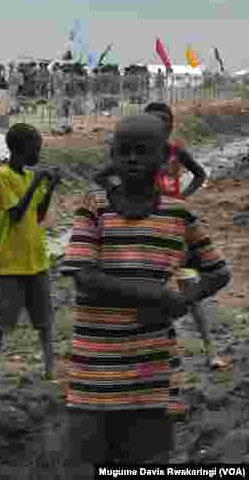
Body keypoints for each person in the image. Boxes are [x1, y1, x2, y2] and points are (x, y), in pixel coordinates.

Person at [59, 114, 231, 473]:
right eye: (125, 151)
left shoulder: (178, 215)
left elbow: (218, 271)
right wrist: (158, 297)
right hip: (93, 377)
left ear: (164, 157)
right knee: (85, 463)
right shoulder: (94, 207)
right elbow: (85, 277)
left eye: (143, 151)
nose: (133, 158)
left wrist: (182, 301)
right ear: (113, 155)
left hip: (151, 376)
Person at [93, 102, 219, 369]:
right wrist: (119, 193)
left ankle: (209, 349)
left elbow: (199, 174)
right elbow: (101, 176)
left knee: (188, 288)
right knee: (147, 291)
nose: (156, 127)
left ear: (170, 127)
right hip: (144, 228)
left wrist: (182, 198)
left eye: (162, 123)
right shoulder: (137, 154)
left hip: (172, 228)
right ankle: (145, 356)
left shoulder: (175, 152)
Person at [0, 123, 61, 382]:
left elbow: (38, 214)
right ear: (21, 150)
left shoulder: (30, 177)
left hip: (37, 261)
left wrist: (50, 186)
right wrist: (38, 182)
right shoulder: (3, 177)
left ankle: (49, 368)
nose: (39, 155)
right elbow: (17, 214)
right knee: (2, 320)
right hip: (10, 264)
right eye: (36, 149)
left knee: (44, 321)